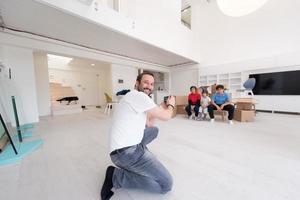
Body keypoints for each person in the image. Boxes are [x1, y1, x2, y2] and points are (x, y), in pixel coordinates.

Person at [101, 72, 175, 200]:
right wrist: (171, 105)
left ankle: (141, 154)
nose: (149, 86)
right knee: (166, 185)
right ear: (137, 83)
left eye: (152, 84)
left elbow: (149, 124)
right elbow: (167, 116)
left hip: (121, 148)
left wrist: (160, 107)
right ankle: (116, 176)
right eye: (146, 82)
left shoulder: (133, 97)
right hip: (126, 153)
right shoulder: (139, 96)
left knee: (154, 131)